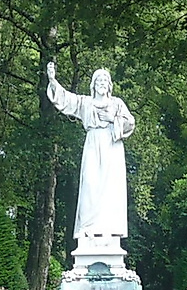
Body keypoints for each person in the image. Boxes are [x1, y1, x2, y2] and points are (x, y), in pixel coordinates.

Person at [46, 62, 135, 241]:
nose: (102, 82)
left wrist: (113, 119)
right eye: (98, 79)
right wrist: (53, 80)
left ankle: (109, 228)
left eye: (105, 80)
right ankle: (88, 227)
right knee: (90, 184)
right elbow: (66, 99)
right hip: (93, 144)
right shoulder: (85, 103)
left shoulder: (117, 104)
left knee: (110, 187)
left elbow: (130, 122)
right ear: (93, 84)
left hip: (112, 146)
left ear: (109, 85)